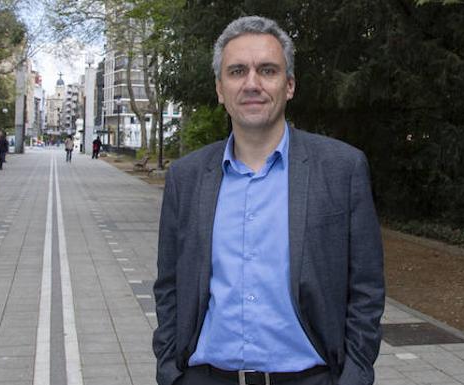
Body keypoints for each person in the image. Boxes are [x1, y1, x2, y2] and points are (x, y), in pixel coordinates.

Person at [152, 16, 385, 385]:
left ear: (289, 85)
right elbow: (168, 284)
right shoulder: (187, 177)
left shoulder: (343, 169)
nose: (252, 84)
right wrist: (170, 370)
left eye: (268, 70)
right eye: (237, 71)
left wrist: (355, 375)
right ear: (219, 88)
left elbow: (367, 288)